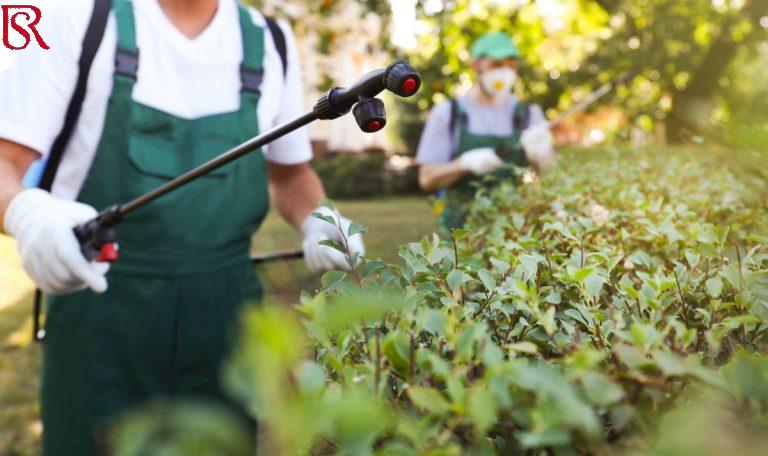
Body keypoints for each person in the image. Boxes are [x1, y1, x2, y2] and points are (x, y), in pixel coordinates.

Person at [0, 0, 364, 454]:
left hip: (226, 321)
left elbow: (290, 175)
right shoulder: (79, 22)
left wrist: (321, 219)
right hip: (100, 317)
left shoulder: (270, 41)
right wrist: (26, 212)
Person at [416, 31, 556, 230]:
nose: (505, 72)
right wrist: (464, 164)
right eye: (497, 65)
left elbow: (552, 176)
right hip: (462, 234)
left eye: (511, 65)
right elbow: (426, 179)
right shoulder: (449, 113)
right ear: (475, 66)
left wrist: (542, 155)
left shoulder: (527, 114)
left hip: (516, 231)